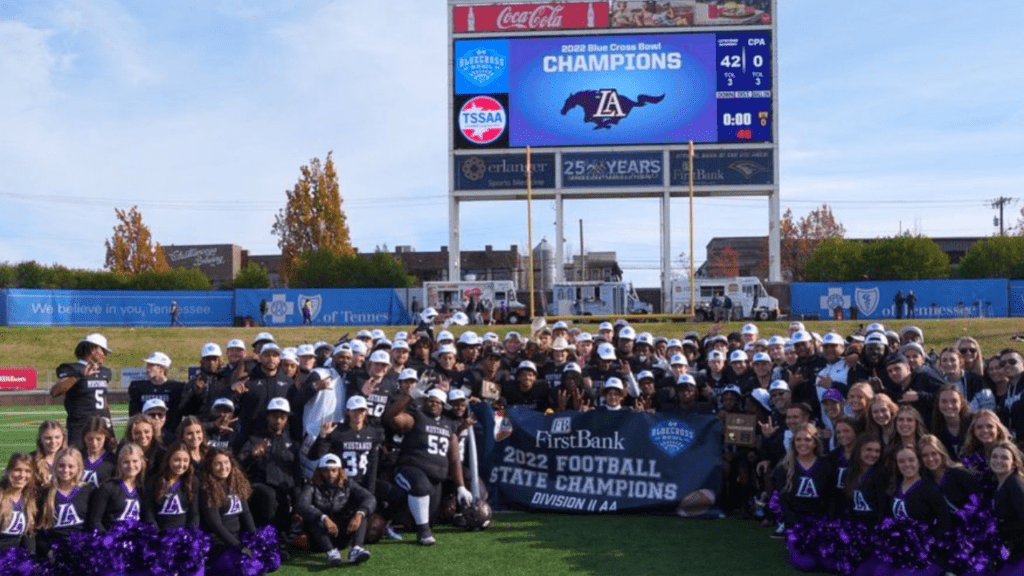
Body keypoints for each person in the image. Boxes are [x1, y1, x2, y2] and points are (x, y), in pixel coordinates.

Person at [385, 389, 472, 545]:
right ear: (424, 402)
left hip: (436, 479)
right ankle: (423, 533)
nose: (433, 403)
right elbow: (391, 416)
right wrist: (408, 397)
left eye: (437, 402)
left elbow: (454, 459)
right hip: (410, 469)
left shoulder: (448, 425)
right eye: (430, 400)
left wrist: (460, 487)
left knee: (426, 519)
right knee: (420, 487)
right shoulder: (417, 417)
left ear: (443, 406)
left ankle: (401, 521)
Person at [200, 448, 278, 576]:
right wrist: (240, 547)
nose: (223, 467)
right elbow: (216, 525)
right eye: (217, 463)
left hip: (238, 538)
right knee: (246, 569)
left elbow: (245, 514)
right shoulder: (207, 490)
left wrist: (255, 538)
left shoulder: (235, 483)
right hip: (219, 543)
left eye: (226, 462)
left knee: (271, 562)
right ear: (210, 466)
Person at [295, 454, 375, 566]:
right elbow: (302, 504)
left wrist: (359, 514)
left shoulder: (348, 483)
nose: (330, 474)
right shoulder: (312, 485)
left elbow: (369, 498)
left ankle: (356, 549)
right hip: (321, 535)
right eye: (326, 471)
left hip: (343, 530)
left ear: (340, 471)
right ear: (320, 472)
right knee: (312, 517)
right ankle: (330, 552)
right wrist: (323, 517)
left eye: (334, 470)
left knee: (362, 512)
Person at [51, 333, 114, 449]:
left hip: (101, 425)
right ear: (92, 349)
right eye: (103, 351)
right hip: (80, 425)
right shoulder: (72, 369)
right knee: (76, 460)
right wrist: (78, 376)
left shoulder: (105, 372)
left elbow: (104, 402)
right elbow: (55, 391)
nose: (104, 355)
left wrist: (110, 427)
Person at [37, 447, 93, 555]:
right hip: (54, 549)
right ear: (55, 466)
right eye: (61, 466)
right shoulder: (45, 492)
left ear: (79, 467)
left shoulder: (88, 490)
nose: (65, 470)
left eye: (71, 466)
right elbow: (39, 529)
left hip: (82, 548)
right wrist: (47, 550)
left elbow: (93, 523)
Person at [87, 443, 145, 531]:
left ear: (142, 462)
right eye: (126, 462)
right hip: (112, 540)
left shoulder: (142, 488)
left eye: (135, 461)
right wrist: (108, 540)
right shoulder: (108, 487)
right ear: (119, 464)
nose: (131, 466)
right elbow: (95, 521)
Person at [145, 442, 200, 530]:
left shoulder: (192, 481)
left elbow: (194, 513)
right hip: (160, 535)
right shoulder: (154, 480)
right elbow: (149, 511)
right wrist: (155, 533)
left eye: (185, 460)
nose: (181, 465)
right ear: (168, 459)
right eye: (177, 460)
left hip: (183, 536)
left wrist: (191, 535)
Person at [990, 441, 1024, 571]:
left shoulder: (1015, 484)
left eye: (1004, 457)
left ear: (1014, 463)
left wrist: (1000, 527)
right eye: (995, 456)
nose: (998, 461)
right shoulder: (1001, 482)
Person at [0, 453, 37, 554]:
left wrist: (30, 559)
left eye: (27, 471)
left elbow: (29, 536)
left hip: (15, 559)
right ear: (8, 471)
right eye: (17, 470)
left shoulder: (29, 500)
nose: (22, 475)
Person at [80, 416, 117, 487]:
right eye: (90, 439)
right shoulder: (77, 458)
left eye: (99, 439)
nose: (94, 443)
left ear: (105, 437)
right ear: (84, 437)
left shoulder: (113, 461)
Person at [30, 420, 66, 486]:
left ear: (63, 438)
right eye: (48, 438)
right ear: (40, 439)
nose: (53, 441)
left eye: (57, 437)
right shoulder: (30, 460)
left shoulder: (71, 458)